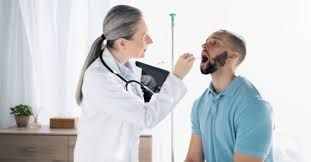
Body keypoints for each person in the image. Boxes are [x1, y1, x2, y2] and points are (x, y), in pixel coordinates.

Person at [74, 5, 195, 162]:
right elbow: (146, 117)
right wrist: (176, 78)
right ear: (122, 44)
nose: (150, 41)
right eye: (144, 36)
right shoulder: (100, 79)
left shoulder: (126, 69)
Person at [185, 30, 274, 162]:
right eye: (206, 42)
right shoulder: (200, 104)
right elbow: (193, 159)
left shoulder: (253, 107)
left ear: (232, 57)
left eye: (214, 43)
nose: (204, 45)